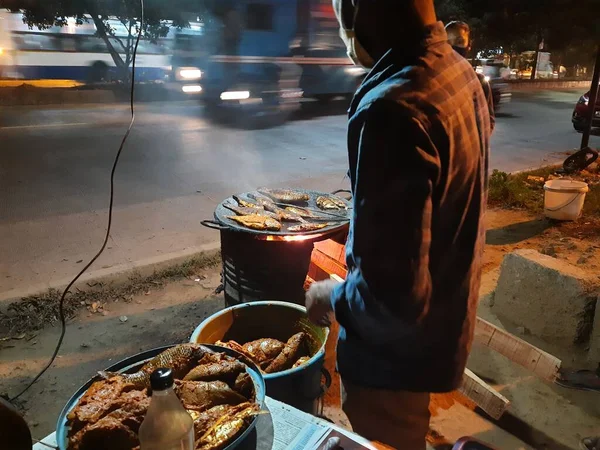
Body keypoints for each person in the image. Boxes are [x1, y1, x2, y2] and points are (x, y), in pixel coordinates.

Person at [305, 0, 491, 449]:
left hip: (392, 363)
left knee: (390, 440)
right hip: (437, 335)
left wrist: (327, 294)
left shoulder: (394, 108)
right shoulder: (459, 73)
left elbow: (392, 302)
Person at [445, 20, 495, 132]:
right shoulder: (436, 80)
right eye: (448, 43)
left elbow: (489, 121)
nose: (452, 47)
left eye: (459, 41)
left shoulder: (479, 81)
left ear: (469, 45)